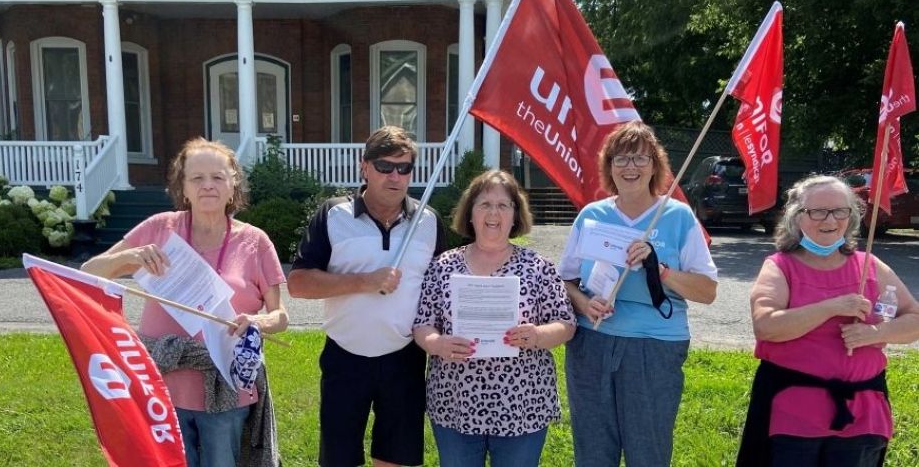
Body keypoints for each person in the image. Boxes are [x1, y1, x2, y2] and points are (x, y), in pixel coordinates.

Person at [81, 138, 288, 467]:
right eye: (197, 178)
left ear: (233, 185)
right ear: (183, 188)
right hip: (160, 389)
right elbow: (88, 271)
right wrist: (132, 256)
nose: (208, 186)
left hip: (227, 390)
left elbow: (280, 316)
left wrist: (258, 322)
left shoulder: (255, 241)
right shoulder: (159, 228)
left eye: (218, 177)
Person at [558, 120, 718, 467]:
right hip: (593, 343)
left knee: (648, 450)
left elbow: (707, 291)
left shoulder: (676, 216)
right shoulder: (592, 216)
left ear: (655, 166)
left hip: (655, 346)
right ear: (609, 167)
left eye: (640, 159)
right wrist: (585, 304)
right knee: (593, 448)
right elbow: (564, 281)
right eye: (621, 159)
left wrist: (659, 269)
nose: (630, 167)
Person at [288, 126, 447, 467]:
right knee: (340, 459)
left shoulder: (429, 221)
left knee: (397, 458)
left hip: (404, 358)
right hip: (345, 356)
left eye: (404, 168)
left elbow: (445, 289)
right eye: (385, 166)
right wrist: (363, 282)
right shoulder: (333, 214)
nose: (395, 176)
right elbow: (298, 283)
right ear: (365, 167)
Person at [737, 175, 919, 467]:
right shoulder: (780, 267)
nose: (829, 220)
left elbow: (914, 318)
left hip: (862, 416)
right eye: (817, 211)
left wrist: (875, 333)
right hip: (792, 415)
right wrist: (831, 307)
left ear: (852, 216)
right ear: (796, 217)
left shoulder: (870, 266)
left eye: (839, 211)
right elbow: (766, 326)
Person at [413, 170, 576, 467]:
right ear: (470, 214)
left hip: (522, 404)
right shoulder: (442, 266)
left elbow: (566, 324)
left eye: (503, 205)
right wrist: (436, 343)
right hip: (455, 402)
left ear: (515, 216)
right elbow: (422, 323)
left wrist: (538, 335)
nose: (493, 213)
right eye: (484, 204)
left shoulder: (538, 267)